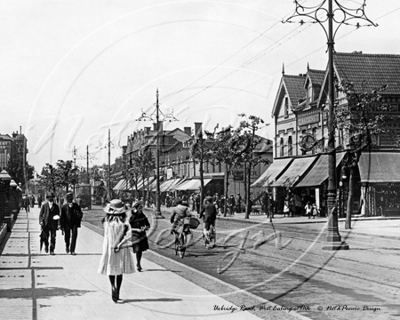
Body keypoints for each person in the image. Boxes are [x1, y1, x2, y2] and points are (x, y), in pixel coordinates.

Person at [98, 199, 135, 303]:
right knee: (120, 269)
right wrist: (120, 244)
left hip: (109, 246)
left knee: (111, 267)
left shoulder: (106, 221)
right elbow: (129, 235)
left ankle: (112, 287)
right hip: (121, 247)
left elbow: (106, 235)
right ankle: (117, 289)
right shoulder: (124, 222)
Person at [128, 201, 150, 272]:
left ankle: (138, 263)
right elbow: (128, 227)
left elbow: (148, 224)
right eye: (140, 208)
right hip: (135, 234)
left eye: (141, 208)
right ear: (136, 208)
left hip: (142, 234)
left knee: (140, 250)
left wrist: (145, 228)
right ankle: (138, 264)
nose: (141, 209)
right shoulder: (132, 217)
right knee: (137, 249)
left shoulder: (143, 216)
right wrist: (136, 229)